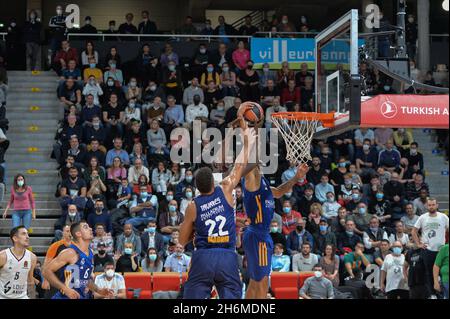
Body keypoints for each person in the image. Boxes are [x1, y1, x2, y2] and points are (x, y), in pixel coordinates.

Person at [179, 114, 255, 299]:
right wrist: (247, 139)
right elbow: (240, 164)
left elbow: (181, 241)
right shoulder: (227, 187)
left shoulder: (193, 205)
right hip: (227, 255)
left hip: (203, 256)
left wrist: (196, 232)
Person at [241, 150, 308, 298]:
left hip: (258, 235)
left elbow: (279, 191)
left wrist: (296, 177)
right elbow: (247, 161)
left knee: (254, 282)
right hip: (258, 236)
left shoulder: (265, 185)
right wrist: (249, 136)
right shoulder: (251, 182)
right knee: (262, 283)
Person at [43, 222, 113, 299]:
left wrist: (99, 290)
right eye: (86, 227)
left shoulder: (91, 253)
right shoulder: (70, 252)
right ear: (78, 233)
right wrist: (65, 288)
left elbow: (84, 280)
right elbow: (46, 271)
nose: (90, 229)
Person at [412, 198, 449, 298]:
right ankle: (433, 294)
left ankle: (443, 294)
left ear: (437, 205)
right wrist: (418, 244)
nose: (431, 206)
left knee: (442, 272)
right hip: (427, 250)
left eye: (433, 204)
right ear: (427, 206)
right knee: (429, 273)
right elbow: (414, 231)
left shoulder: (443, 217)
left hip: (441, 250)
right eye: (429, 205)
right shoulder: (423, 217)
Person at [0, 226, 37, 299]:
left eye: (27, 234)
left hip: (22, 296)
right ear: (15, 238)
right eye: (23, 234)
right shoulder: (3, 256)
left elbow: (30, 280)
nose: (27, 237)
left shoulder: (32, 257)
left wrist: (32, 297)